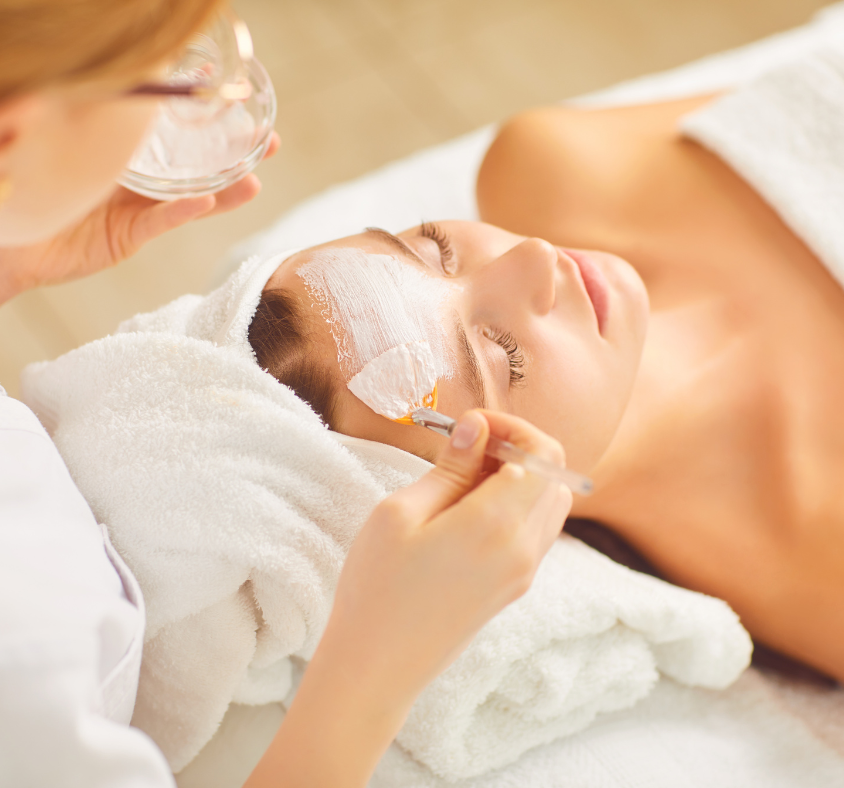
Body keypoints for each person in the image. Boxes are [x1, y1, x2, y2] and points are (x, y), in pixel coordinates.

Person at [246, 10, 844, 715]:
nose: (534, 258)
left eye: (433, 249)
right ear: (492, 487)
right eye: (497, 351)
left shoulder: (551, 162)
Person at [0, 2, 572, 787]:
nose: (538, 254)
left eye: (431, 244)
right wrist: (373, 673)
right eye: (155, 77)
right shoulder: (25, 650)